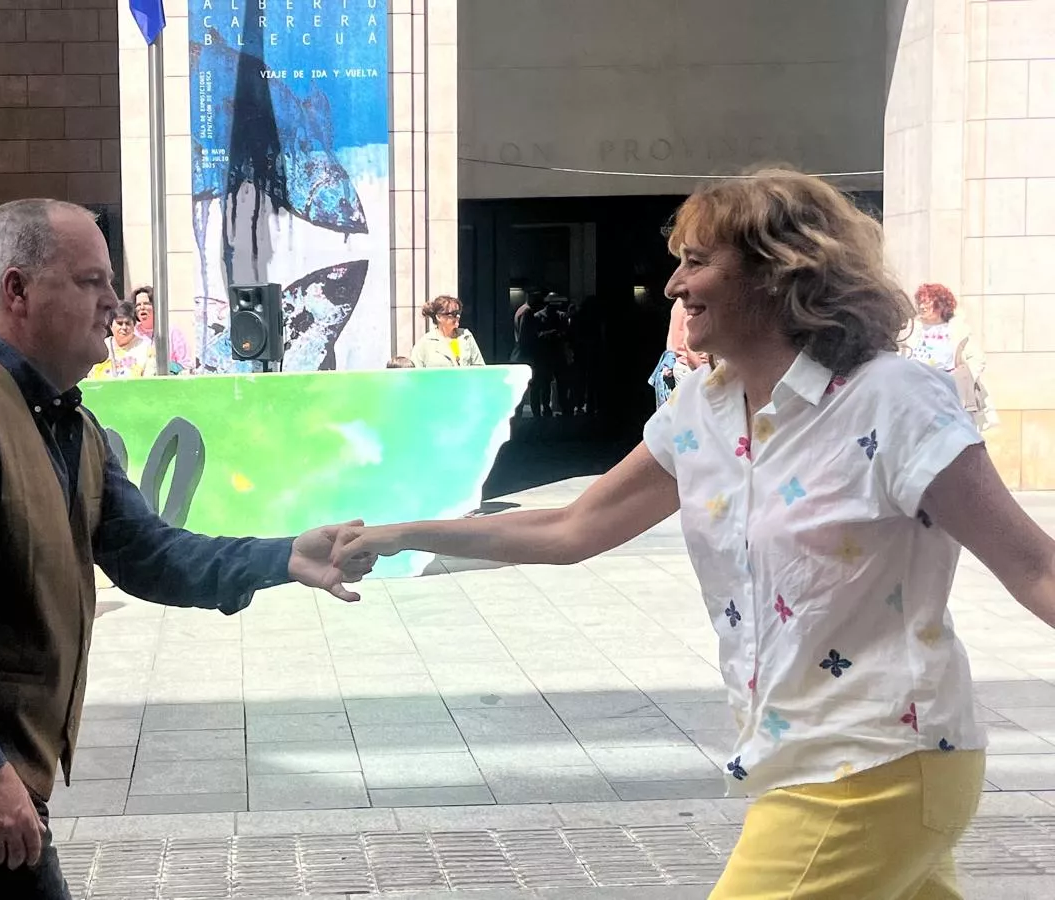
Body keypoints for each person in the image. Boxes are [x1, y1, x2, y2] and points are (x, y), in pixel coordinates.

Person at [330, 170, 1055, 896]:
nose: (674, 284)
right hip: (795, 755)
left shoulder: (890, 399)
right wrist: (398, 534)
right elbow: (572, 526)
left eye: (697, 260)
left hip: (879, 759)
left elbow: (1034, 568)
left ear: (779, 270)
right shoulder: (698, 412)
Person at [0, 199, 376, 899]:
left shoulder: (66, 420)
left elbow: (151, 554)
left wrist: (287, 557)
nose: (115, 301)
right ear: (17, 291)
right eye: (91, 281)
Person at [903, 283, 996, 432]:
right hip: (919, 393)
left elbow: (977, 358)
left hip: (950, 393)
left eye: (926, 301)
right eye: (920, 302)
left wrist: (961, 378)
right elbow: (899, 356)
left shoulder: (958, 328)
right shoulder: (911, 328)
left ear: (940, 304)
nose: (922, 306)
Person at [88, 300, 156, 379]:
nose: (124, 327)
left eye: (127, 323)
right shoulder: (99, 348)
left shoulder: (147, 349)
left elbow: (149, 381)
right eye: (119, 323)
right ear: (110, 325)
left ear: (134, 325)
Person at [411, 295, 485, 368]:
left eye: (459, 313)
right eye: (454, 314)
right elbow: (415, 374)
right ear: (439, 317)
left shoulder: (466, 336)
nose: (458, 317)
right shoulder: (425, 343)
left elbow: (479, 367)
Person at [132, 286, 192, 373]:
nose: (142, 307)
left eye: (146, 303)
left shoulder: (172, 332)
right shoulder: (133, 333)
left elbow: (186, 364)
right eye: (138, 305)